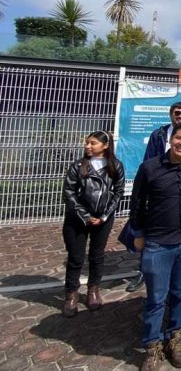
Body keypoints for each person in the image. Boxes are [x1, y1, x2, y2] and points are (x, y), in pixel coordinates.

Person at [130, 122, 181, 371]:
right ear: (171, 138)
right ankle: (152, 346)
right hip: (157, 244)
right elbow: (137, 202)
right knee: (156, 298)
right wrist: (139, 233)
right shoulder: (150, 167)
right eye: (180, 138)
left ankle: (174, 337)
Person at [128, 102, 181, 293]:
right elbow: (148, 160)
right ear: (171, 113)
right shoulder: (159, 134)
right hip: (160, 182)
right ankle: (143, 272)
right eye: (178, 112)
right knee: (151, 235)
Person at [61, 131, 125, 317]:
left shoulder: (115, 165)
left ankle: (93, 290)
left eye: (93, 143)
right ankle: (71, 294)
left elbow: (118, 191)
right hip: (78, 219)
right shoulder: (78, 166)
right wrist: (85, 215)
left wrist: (105, 215)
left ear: (105, 145)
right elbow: (69, 193)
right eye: (87, 143)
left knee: (97, 256)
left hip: (103, 219)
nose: (88, 146)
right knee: (76, 257)